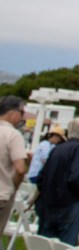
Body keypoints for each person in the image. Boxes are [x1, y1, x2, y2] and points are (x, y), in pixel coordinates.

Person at [35, 116, 79, 245]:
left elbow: (41, 177)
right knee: (66, 245)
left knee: (45, 245)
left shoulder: (57, 148)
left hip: (50, 204)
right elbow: (76, 176)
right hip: (70, 204)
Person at [0, 96, 27, 238]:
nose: (22, 118)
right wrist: (14, 186)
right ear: (12, 112)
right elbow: (20, 169)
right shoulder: (13, 135)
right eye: (22, 113)